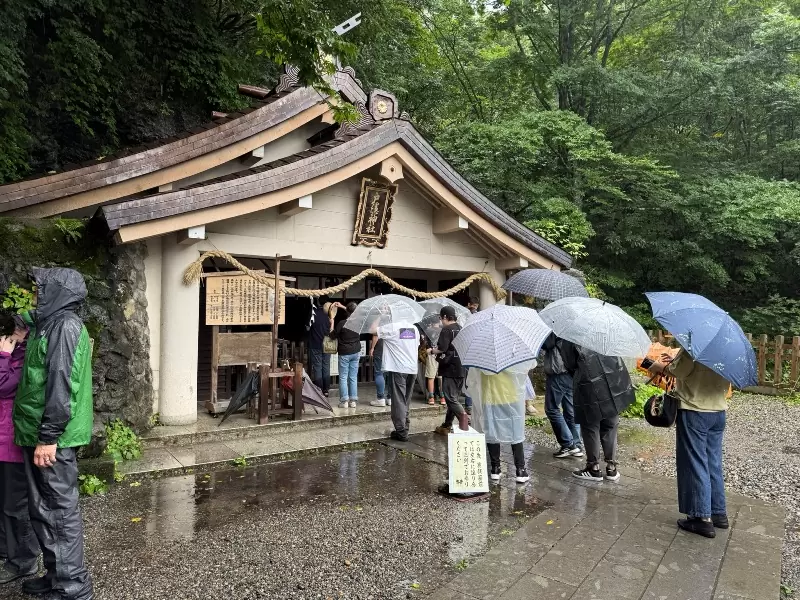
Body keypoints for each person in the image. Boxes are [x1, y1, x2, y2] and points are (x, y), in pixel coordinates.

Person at [13, 268, 95, 600]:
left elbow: (62, 384)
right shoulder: (51, 323)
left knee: (59, 510)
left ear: (57, 294)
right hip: (40, 432)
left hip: (53, 438)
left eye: (40, 291)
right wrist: (22, 317)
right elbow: (31, 316)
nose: (36, 296)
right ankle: (57, 574)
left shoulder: (65, 327)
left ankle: (73, 587)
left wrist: (48, 437)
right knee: (43, 508)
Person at [647, 349, 731, 538]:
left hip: (695, 410)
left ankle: (701, 518)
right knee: (713, 463)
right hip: (718, 412)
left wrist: (649, 364)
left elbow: (676, 371)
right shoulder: (727, 351)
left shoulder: (694, 347)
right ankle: (718, 513)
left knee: (694, 463)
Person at [0, 310, 39, 585]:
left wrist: (3, 356)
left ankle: (23, 561)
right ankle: (6, 552)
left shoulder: (25, 356)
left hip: (12, 441)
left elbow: (4, 386)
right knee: (4, 502)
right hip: (2, 439)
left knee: (16, 504)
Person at [560, 341, 634, 482]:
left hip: (588, 382)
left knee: (590, 425)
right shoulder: (605, 329)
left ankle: (593, 468)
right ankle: (611, 467)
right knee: (610, 424)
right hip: (612, 382)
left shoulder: (570, 337)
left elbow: (569, 365)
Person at [468, 361, 533, 483]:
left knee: (491, 430)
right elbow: (525, 369)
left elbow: (473, 378)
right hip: (510, 395)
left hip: (489, 395)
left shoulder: (482, 354)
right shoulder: (512, 352)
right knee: (515, 432)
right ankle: (520, 470)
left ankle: (495, 468)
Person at [542, 333, 583, 459]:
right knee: (571, 411)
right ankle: (577, 445)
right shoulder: (572, 328)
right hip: (572, 374)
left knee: (552, 409)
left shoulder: (555, 329)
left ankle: (569, 444)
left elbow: (547, 344)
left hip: (558, 374)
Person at [377, 321, 419, 441]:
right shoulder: (414, 328)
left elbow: (373, 330)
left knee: (398, 400)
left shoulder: (392, 327)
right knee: (406, 400)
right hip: (412, 368)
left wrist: (380, 317)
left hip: (399, 368)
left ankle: (401, 431)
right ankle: (405, 427)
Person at [431, 306, 467, 436]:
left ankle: (465, 423)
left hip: (450, 368)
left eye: (441, 318)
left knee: (450, 398)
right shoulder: (461, 328)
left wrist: (431, 351)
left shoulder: (447, 330)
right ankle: (447, 425)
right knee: (454, 398)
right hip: (461, 367)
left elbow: (442, 348)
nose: (441, 320)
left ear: (445, 317)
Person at [308, 300, 343, 396]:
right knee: (326, 366)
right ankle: (326, 389)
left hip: (315, 344)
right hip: (328, 345)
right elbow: (332, 332)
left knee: (318, 367)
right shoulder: (331, 316)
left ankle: (319, 389)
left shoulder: (314, 314)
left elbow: (308, 327)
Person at [330, 302, 361, 408]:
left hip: (344, 353)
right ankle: (353, 401)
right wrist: (343, 307)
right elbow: (353, 313)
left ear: (347, 311)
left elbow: (332, 336)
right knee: (353, 377)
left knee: (343, 377)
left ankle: (344, 401)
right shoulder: (359, 323)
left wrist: (332, 323)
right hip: (356, 352)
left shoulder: (342, 323)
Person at [462, 296, 479, 415]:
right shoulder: (480, 317)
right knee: (474, 379)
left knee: (468, 379)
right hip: (477, 350)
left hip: (467, 350)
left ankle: (468, 404)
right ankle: (472, 403)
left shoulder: (463, 316)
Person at [368, 334, 391, 407]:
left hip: (380, 349)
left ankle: (380, 398)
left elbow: (376, 335)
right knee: (389, 373)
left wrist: (372, 348)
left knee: (379, 373)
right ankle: (390, 398)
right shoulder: (394, 324)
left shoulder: (379, 322)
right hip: (391, 350)